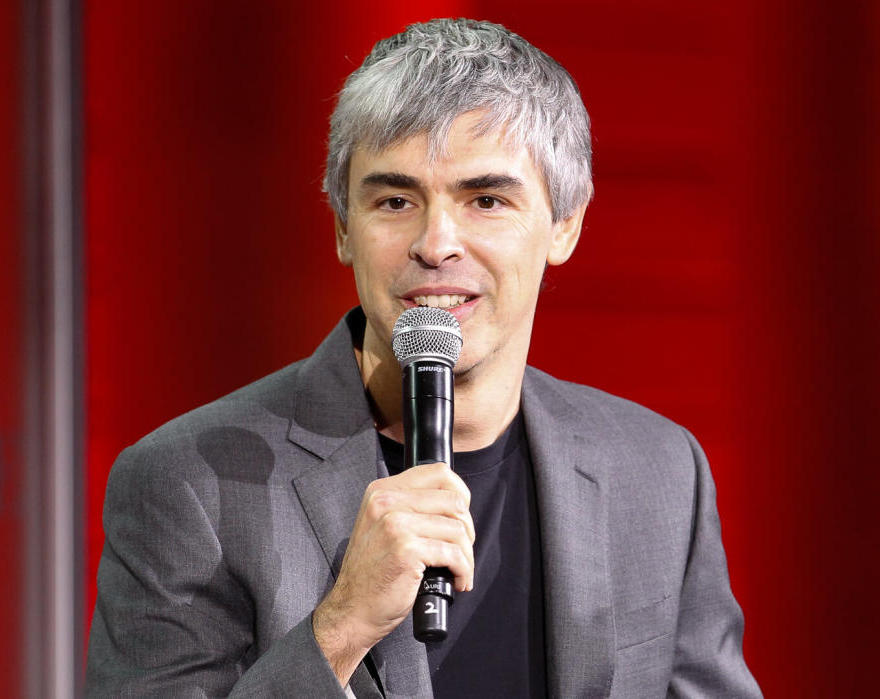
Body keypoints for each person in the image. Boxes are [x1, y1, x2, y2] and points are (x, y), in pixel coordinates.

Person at [86, 18, 762, 698]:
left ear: (566, 224)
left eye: (486, 200)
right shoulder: (187, 481)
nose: (436, 243)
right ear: (343, 227)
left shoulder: (658, 471)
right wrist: (341, 626)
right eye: (395, 200)